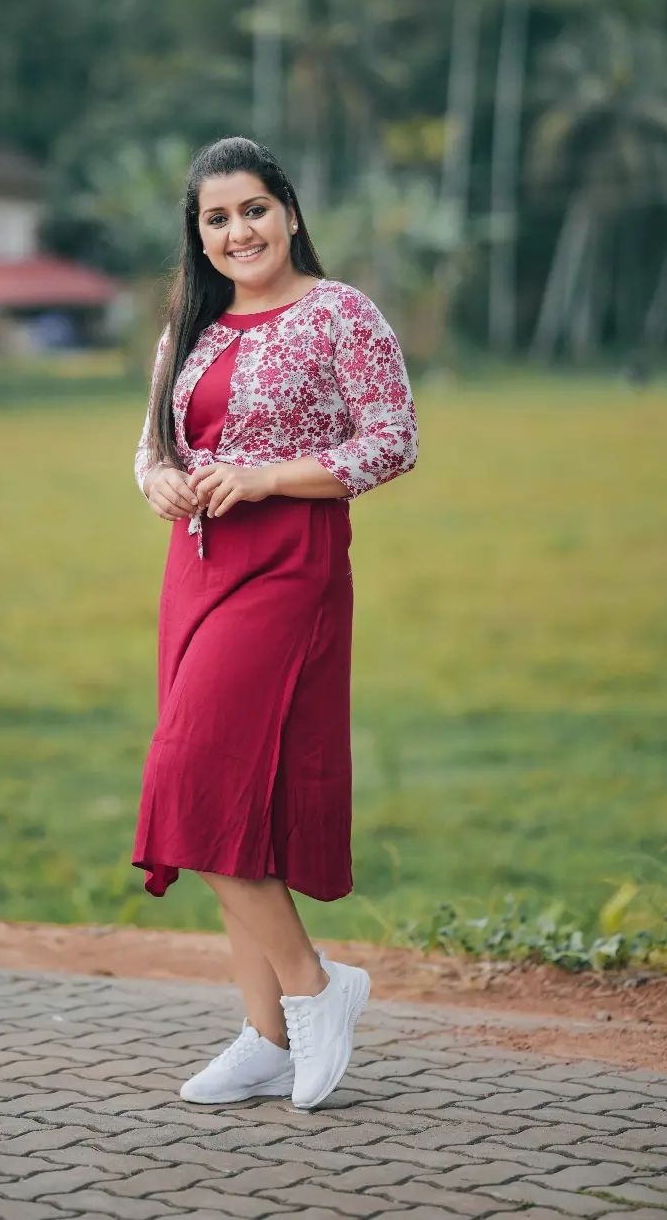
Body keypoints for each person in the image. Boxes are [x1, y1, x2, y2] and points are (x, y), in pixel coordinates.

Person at [131, 136, 419, 1111]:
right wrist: (166, 482)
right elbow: (148, 450)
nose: (237, 231)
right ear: (198, 236)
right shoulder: (191, 324)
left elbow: (393, 440)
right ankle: (264, 1036)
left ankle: (315, 990)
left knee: (191, 776)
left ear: (289, 212)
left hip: (290, 566)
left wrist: (261, 476)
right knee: (221, 797)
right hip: (197, 569)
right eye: (216, 218)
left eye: (253, 209)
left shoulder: (342, 314)